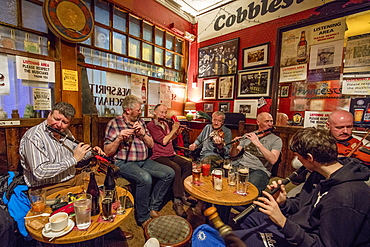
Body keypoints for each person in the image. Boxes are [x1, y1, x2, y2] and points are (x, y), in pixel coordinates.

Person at [234, 127, 370, 247]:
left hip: (307, 238)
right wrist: (283, 203)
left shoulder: (345, 197)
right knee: (249, 218)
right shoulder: (319, 173)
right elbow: (302, 203)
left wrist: (283, 222)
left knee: (232, 240)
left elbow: (324, 244)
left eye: (298, 156)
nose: (298, 160)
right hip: (299, 228)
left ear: (310, 158)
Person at [104, 95, 174, 226]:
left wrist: (142, 134)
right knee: (145, 178)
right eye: (138, 109)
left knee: (169, 173)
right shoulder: (115, 123)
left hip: (143, 160)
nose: (140, 112)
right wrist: (119, 139)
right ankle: (142, 217)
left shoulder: (141, 122)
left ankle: (153, 206)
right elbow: (107, 151)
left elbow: (151, 144)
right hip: (123, 162)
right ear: (128, 110)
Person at [19, 102, 106, 196]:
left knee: (107, 183)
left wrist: (92, 153)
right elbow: (40, 172)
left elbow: (78, 154)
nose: (59, 125)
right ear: (49, 114)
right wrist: (74, 160)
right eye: (56, 119)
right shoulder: (34, 137)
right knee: (83, 203)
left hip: (72, 180)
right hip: (47, 187)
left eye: (65, 122)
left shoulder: (65, 133)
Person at [147, 104, 194, 218]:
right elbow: (163, 141)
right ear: (154, 113)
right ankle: (178, 200)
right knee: (176, 168)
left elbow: (169, 140)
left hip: (170, 154)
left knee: (188, 164)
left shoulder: (165, 124)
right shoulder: (151, 125)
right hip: (158, 156)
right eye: (161, 112)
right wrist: (174, 130)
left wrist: (176, 133)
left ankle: (180, 192)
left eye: (165, 112)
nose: (164, 115)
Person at [230, 112, 281, 193]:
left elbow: (273, 160)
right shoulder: (248, 135)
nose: (270, 124)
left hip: (260, 171)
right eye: (266, 121)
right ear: (258, 122)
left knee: (248, 190)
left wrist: (258, 144)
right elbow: (233, 154)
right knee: (226, 182)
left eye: (271, 121)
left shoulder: (276, 139)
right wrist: (234, 146)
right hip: (242, 166)